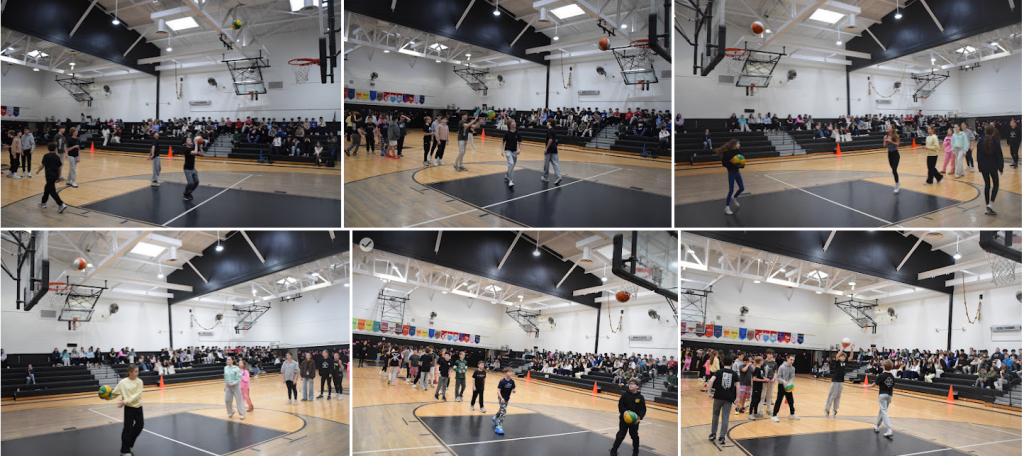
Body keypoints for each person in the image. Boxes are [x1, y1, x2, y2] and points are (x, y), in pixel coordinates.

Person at [106, 364, 145, 456]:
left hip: (138, 406)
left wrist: (125, 401)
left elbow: (137, 395)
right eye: (135, 371)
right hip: (129, 408)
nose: (137, 373)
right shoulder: (123, 382)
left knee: (140, 425)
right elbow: (114, 393)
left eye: (137, 371)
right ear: (130, 372)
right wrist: (105, 397)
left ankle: (130, 443)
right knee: (127, 429)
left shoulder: (139, 382)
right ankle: (124, 450)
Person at [609, 378, 646, 456]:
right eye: (629, 384)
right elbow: (620, 405)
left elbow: (643, 409)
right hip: (624, 419)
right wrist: (624, 411)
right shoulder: (625, 395)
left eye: (632, 384)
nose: (630, 385)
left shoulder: (640, 397)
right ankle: (614, 450)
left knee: (634, 436)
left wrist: (639, 417)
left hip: (634, 420)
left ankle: (636, 451)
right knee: (621, 434)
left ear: (637, 386)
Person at [862, 359, 896, 437]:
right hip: (889, 395)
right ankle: (877, 426)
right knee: (882, 411)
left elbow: (873, 385)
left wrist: (865, 386)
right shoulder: (892, 376)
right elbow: (892, 388)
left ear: (884, 367)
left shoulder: (882, 375)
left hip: (882, 395)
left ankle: (889, 429)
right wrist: (891, 397)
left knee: (884, 412)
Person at [708, 356, 736, 445]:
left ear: (722, 363)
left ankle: (713, 434)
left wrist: (709, 392)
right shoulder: (734, 373)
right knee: (725, 417)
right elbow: (738, 386)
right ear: (732, 363)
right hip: (728, 398)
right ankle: (722, 437)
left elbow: (711, 381)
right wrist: (737, 398)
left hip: (718, 396)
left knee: (715, 414)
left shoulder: (718, 372)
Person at [976, 124, 1004, 216]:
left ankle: (987, 205)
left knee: (987, 185)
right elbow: (999, 156)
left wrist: (980, 166)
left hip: (984, 167)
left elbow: (978, 156)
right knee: (996, 184)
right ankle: (991, 203)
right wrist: (1001, 168)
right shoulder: (995, 142)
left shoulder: (980, 141)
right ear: (993, 132)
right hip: (992, 167)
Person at [35, 142, 69, 213]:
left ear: (48, 148)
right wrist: (59, 177)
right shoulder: (57, 157)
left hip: (49, 176)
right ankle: (43, 203)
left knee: (52, 191)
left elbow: (42, 165)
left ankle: (61, 204)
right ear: (55, 148)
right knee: (47, 188)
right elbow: (60, 167)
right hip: (55, 176)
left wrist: (38, 170)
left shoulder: (46, 156)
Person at [716, 139, 744, 215]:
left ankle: (734, 198)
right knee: (731, 190)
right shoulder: (727, 153)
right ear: (734, 145)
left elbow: (742, 163)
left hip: (737, 172)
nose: (739, 145)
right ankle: (727, 207)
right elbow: (724, 164)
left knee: (742, 188)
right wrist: (730, 161)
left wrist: (741, 165)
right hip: (731, 172)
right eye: (738, 144)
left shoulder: (738, 152)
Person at [825, 343, 853, 418]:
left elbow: (851, 357)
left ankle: (835, 409)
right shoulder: (837, 362)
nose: (843, 358)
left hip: (841, 381)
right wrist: (842, 349)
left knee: (838, 396)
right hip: (835, 381)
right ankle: (827, 409)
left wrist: (852, 349)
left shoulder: (845, 363)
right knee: (832, 395)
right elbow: (837, 356)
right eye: (842, 356)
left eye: (844, 357)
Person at [771, 355, 799, 422]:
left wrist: (790, 383)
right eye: (791, 359)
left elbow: (792, 377)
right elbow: (779, 377)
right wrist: (784, 382)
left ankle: (792, 414)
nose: (792, 361)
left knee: (791, 400)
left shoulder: (793, 368)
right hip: (781, 385)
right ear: (787, 359)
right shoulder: (782, 367)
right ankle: (774, 415)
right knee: (779, 400)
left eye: (793, 360)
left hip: (788, 386)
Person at [493, 367, 516, 435]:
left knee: (501, 410)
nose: (511, 373)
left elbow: (513, 388)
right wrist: (501, 398)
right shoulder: (502, 381)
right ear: (505, 373)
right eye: (509, 372)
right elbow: (498, 391)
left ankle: (495, 418)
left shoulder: (512, 381)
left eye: (511, 372)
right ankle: (499, 427)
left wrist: (513, 390)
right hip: (501, 398)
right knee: (503, 411)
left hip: (507, 398)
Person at [502, 121, 522, 189]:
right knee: (511, 163)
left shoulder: (518, 133)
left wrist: (519, 149)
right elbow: (503, 142)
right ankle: (511, 181)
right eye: (513, 122)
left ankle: (507, 175)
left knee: (512, 165)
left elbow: (520, 142)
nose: (515, 123)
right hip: (508, 150)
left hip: (514, 151)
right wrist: (502, 150)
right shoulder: (507, 133)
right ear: (510, 125)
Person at [883, 125, 901, 194]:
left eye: (889, 127)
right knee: (893, 170)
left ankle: (897, 184)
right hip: (889, 154)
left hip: (895, 154)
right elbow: (884, 146)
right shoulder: (885, 137)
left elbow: (897, 144)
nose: (887, 128)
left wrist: (891, 142)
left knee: (894, 169)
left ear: (892, 129)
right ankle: (898, 182)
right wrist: (886, 142)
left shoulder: (895, 136)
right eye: (887, 127)